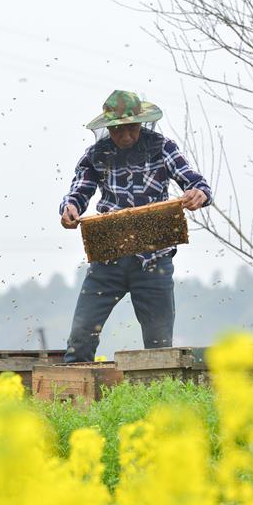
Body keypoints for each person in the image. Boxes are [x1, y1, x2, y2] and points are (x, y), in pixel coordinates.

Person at [59, 90, 212, 363]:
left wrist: (198, 192)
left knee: (158, 349)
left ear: (141, 123)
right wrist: (69, 209)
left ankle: (159, 403)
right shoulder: (96, 155)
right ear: (108, 128)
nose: (126, 136)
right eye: (118, 130)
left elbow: (193, 180)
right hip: (107, 263)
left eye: (131, 128)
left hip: (154, 263)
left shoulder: (163, 147)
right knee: (81, 337)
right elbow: (78, 192)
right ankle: (73, 397)